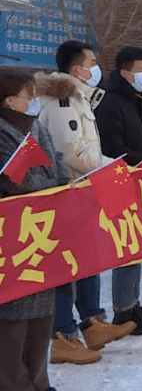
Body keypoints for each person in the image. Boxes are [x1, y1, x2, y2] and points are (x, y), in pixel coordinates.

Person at [36, 41, 138, 359]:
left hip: (83, 190)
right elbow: (71, 150)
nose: (96, 69)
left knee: (87, 258)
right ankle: (61, 335)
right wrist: (111, 165)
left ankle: (92, 322)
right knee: (66, 263)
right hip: (65, 191)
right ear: (77, 68)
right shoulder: (62, 99)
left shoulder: (79, 97)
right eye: (92, 62)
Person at [0, 70, 68, 391]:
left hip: (42, 239)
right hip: (13, 244)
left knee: (40, 326)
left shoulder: (37, 128)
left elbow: (59, 166)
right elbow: (21, 184)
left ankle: (40, 384)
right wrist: (53, 186)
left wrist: (59, 184)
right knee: (12, 331)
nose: (34, 101)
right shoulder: (2, 134)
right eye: (29, 95)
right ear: (10, 101)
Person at [96, 46, 142, 333]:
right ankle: (123, 310)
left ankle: (133, 304)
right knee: (126, 244)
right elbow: (114, 148)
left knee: (138, 243)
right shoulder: (111, 102)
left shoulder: (135, 99)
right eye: (140, 71)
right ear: (124, 72)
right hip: (117, 178)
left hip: (138, 177)